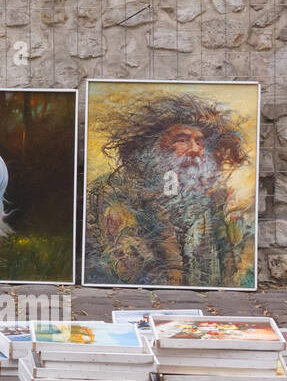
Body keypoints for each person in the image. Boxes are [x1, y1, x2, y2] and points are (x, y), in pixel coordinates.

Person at [85, 92, 254, 287]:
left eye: (199, 142)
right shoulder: (114, 190)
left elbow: (228, 265)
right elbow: (121, 268)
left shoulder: (209, 198)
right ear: (155, 145)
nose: (195, 149)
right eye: (182, 140)